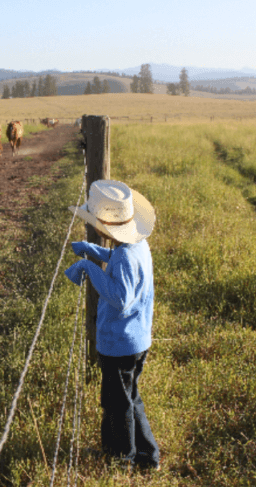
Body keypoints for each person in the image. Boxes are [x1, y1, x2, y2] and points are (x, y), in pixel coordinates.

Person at [64, 179, 160, 470]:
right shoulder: (135, 246)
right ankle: (147, 456)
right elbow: (118, 261)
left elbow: (120, 297)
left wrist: (88, 267)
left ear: (105, 225)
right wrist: (95, 251)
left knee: (117, 405)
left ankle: (122, 459)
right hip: (135, 340)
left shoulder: (127, 255)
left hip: (120, 343)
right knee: (130, 399)